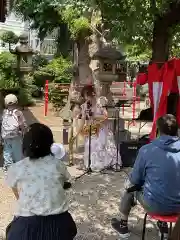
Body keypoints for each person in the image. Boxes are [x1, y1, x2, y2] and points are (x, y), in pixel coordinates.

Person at [111, 114, 180, 238]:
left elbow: (135, 180)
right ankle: (163, 227)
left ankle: (123, 226)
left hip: (155, 205)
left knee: (130, 188)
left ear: (158, 131)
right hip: (178, 207)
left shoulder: (147, 150)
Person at [5, 123, 77, 240]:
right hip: (58, 224)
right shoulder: (57, 164)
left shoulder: (16, 168)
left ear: (25, 145)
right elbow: (64, 183)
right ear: (50, 144)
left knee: (12, 229)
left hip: (26, 227)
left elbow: (16, 191)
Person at [72, 84, 122, 171]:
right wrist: (79, 130)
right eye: (85, 97)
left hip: (102, 128)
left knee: (102, 143)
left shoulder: (99, 103)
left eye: (87, 96)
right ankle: (91, 164)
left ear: (92, 94)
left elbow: (106, 117)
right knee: (89, 144)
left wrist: (95, 117)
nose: (87, 98)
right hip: (92, 129)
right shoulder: (84, 106)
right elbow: (83, 119)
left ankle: (109, 163)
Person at [1, 94, 27, 172]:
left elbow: (3, 123)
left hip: (6, 136)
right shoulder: (18, 113)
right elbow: (22, 124)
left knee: (7, 151)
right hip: (16, 136)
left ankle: (8, 166)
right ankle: (18, 166)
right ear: (16, 102)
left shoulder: (4, 112)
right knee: (17, 151)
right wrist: (24, 132)